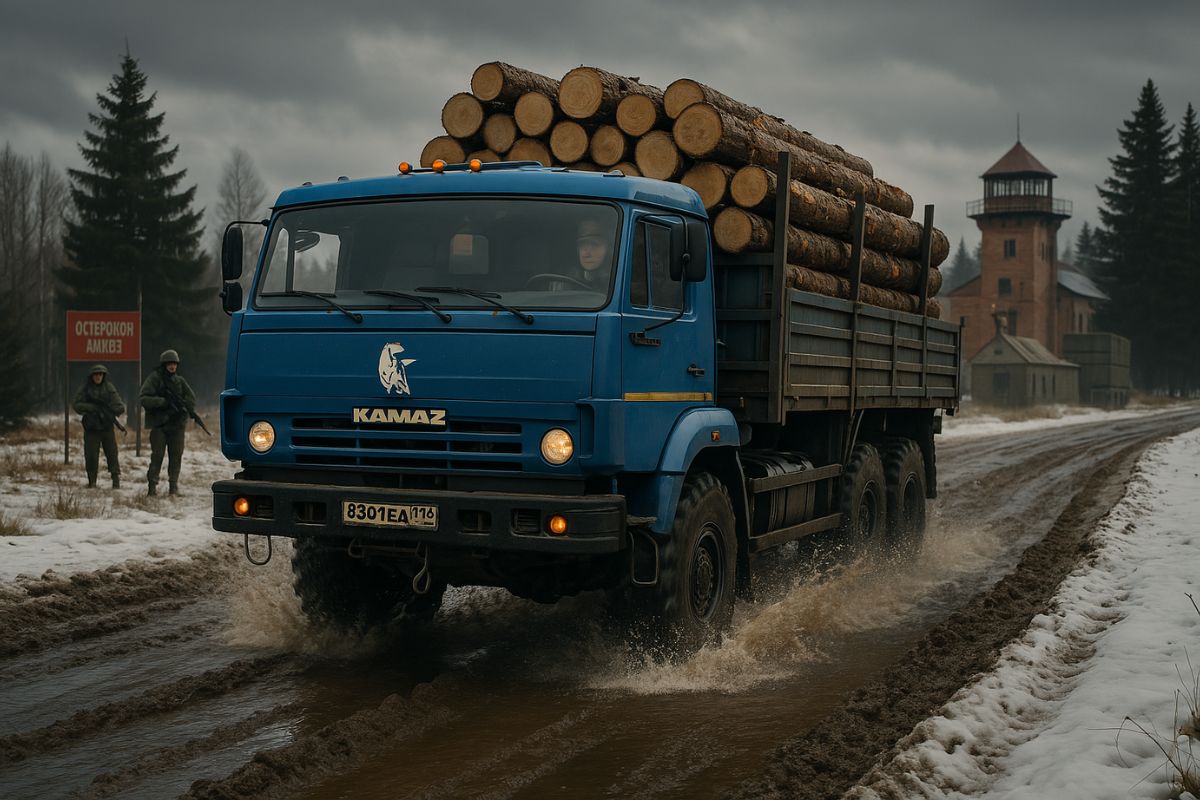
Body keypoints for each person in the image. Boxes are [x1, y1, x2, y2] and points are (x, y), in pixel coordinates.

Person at [140, 349, 197, 496]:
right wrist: (163, 402)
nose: (172, 366)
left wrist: (183, 408)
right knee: (157, 456)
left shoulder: (179, 381)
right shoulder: (155, 379)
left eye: (174, 364)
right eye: (169, 364)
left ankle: (173, 486)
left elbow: (191, 398)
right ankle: (152, 487)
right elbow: (144, 398)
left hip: (176, 425)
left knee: (176, 455)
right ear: (164, 365)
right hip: (160, 425)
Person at [72, 364, 125, 489]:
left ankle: (115, 479)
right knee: (91, 455)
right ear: (92, 376)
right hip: (91, 428)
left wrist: (110, 411)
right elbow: (76, 404)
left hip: (106, 427)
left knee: (112, 454)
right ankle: (92, 481)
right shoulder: (86, 388)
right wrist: (91, 408)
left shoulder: (109, 388)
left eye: (100, 374)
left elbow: (119, 405)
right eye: (96, 375)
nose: (98, 377)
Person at [574, 218, 610, 288]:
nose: (586, 254)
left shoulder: (618, 279)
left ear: (607, 247)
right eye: (582, 245)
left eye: (594, 245)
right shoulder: (566, 279)